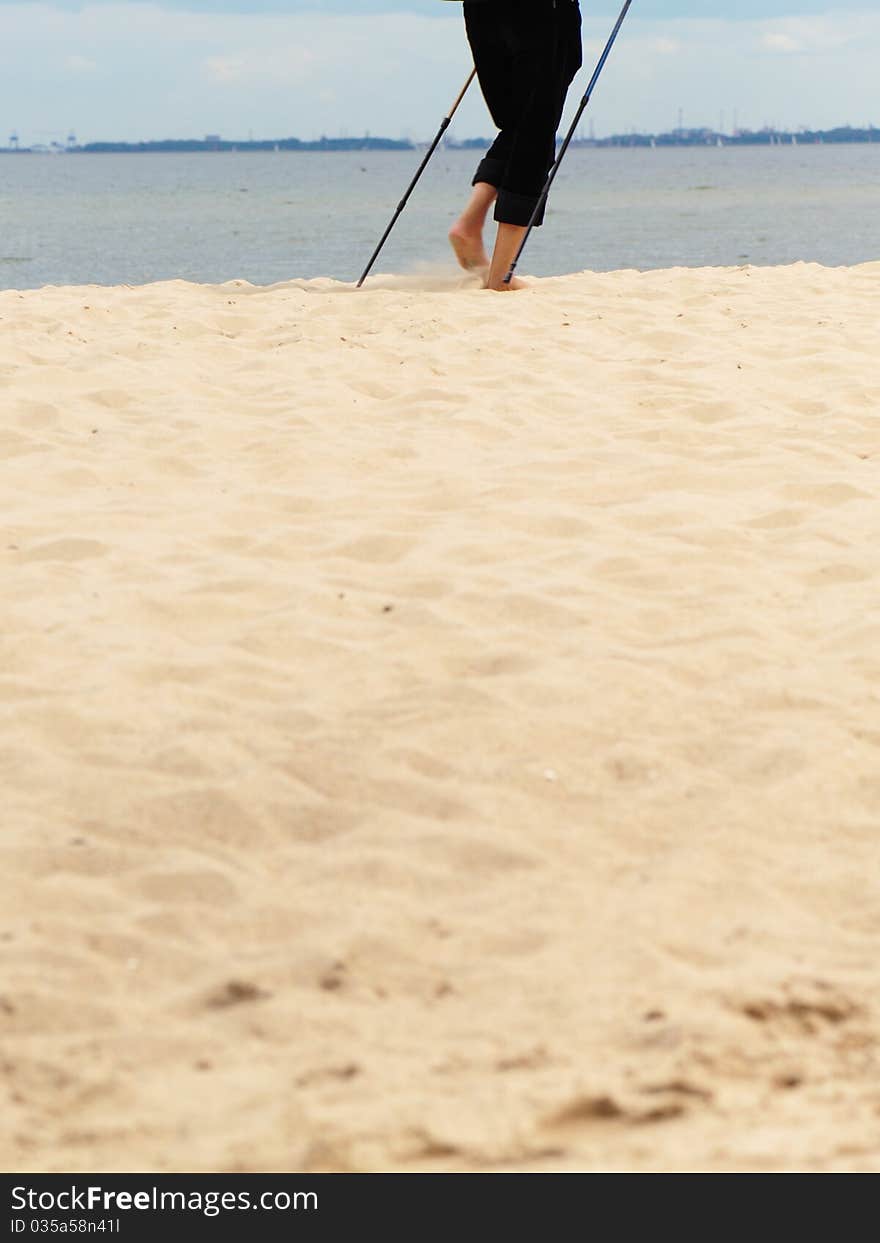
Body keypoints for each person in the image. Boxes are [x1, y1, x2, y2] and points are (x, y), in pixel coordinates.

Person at [448, 0, 583, 291]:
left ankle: (470, 225)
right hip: (543, 11)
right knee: (536, 128)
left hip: (482, 9)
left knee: (519, 119)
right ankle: (501, 276)